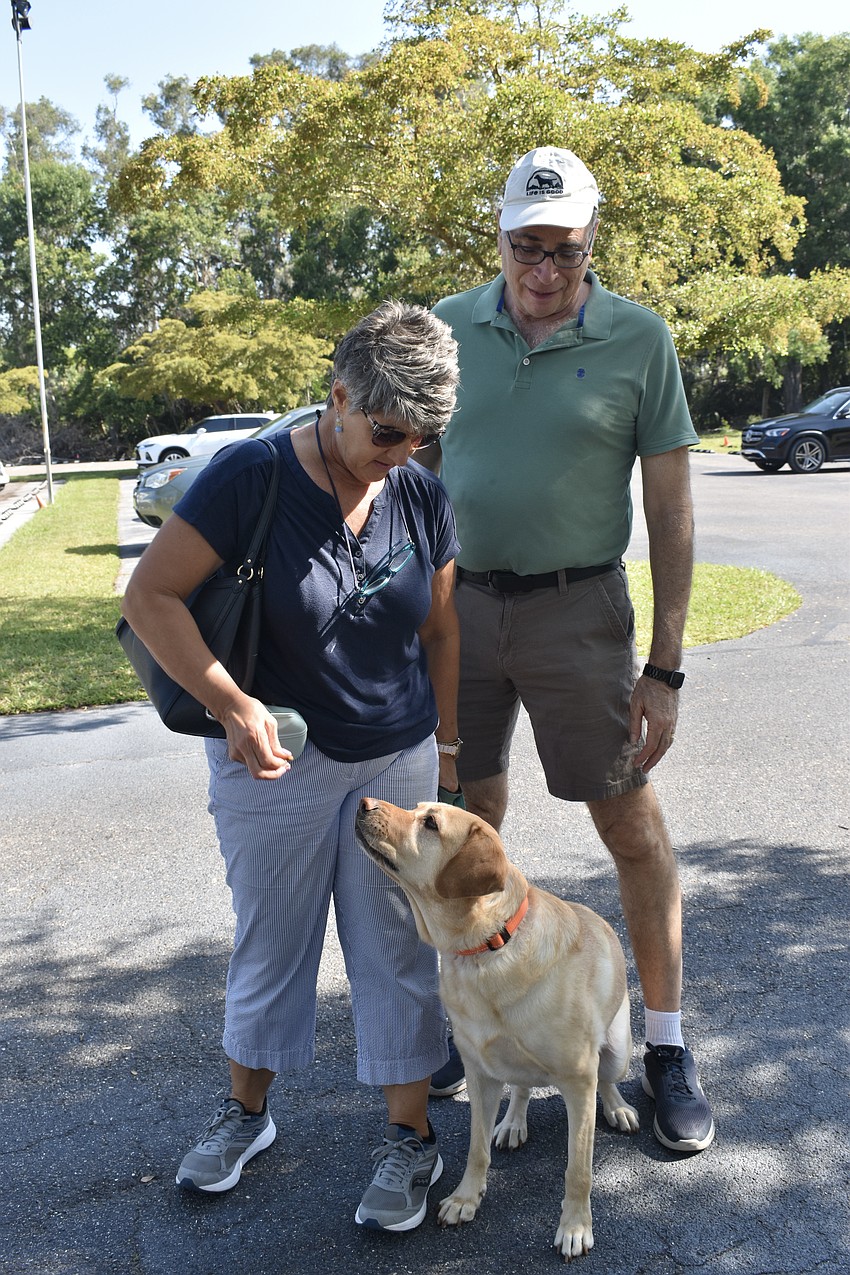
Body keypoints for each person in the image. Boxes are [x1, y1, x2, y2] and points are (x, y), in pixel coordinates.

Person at [121, 301, 463, 1230]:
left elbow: (439, 628)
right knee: (272, 939)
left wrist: (452, 746)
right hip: (273, 758)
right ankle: (245, 1113)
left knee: (398, 945)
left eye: (422, 436)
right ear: (338, 396)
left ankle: (410, 1137)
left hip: (396, 752)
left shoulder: (420, 492)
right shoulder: (252, 476)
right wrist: (231, 704)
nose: (401, 451)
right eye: (387, 431)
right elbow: (149, 594)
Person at [428, 146, 715, 1153]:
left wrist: (665, 666)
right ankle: (472, 1021)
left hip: (577, 610)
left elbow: (670, 509)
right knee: (465, 822)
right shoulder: (448, 329)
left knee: (629, 826)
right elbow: (404, 470)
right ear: (498, 237)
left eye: (565, 250)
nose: (543, 272)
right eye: (524, 248)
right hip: (459, 609)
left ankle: (665, 1045)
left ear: (593, 240)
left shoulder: (640, 338)